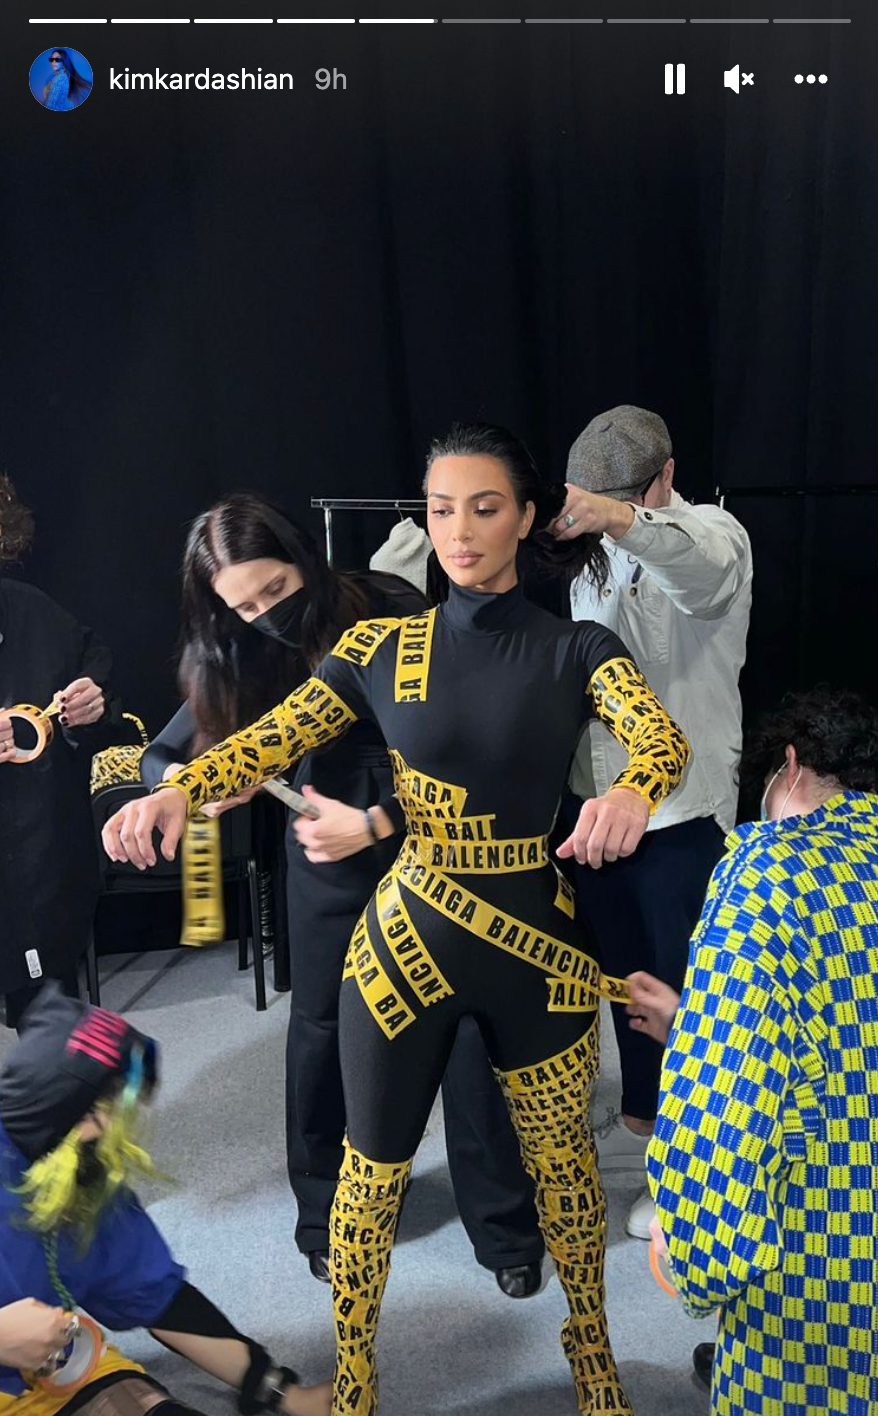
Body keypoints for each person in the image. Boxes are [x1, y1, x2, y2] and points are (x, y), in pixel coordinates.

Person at [103, 423, 690, 1416]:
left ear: (527, 518)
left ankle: (593, 1356)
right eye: (439, 509)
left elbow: (656, 737)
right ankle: (359, 1375)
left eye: (484, 507)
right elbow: (270, 739)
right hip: (404, 935)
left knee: (566, 1175)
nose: (458, 531)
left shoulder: (576, 648)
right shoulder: (378, 646)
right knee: (367, 1176)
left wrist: (634, 787)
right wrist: (180, 789)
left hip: (535, 947)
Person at [138, 493, 545, 1297]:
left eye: (274, 593)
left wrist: (377, 821)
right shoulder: (232, 648)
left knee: (464, 1030)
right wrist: (191, 787)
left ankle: (504, 1229)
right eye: (242, 606)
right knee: (322, 1029)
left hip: (428, 842)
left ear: (304, 563)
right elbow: (165, 753)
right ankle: (325, 1216)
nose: (263, 616)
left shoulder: (391, 607)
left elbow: (473, 742)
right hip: (320, 854)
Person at [627, 688, 878, 1416]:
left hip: (830, 1266)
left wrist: (695, 1246)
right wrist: (699, 1018)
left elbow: (727, 1103)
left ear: (789, 769)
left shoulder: (769, 871)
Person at [551, 404, 752, 1240]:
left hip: (681, 816)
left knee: (683, 994)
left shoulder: (714, 532)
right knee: (621, 981)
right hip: (595, 812)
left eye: (618, 498)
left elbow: (694, 572)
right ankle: (642, 1119)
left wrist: (621, 517)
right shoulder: (586, 566)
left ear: (663, 475)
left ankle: (690, 1179)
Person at [0, 983, 332, 1416]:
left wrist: (284, 1393)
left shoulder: (80, 1178)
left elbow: (158, 1298)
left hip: (56, 1370)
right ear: (82, 1116)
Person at [0, 474, 121, 1030]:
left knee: (48, 1014)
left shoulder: (31, 611)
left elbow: (94, 673)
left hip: (36, 855)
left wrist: (90, 708)